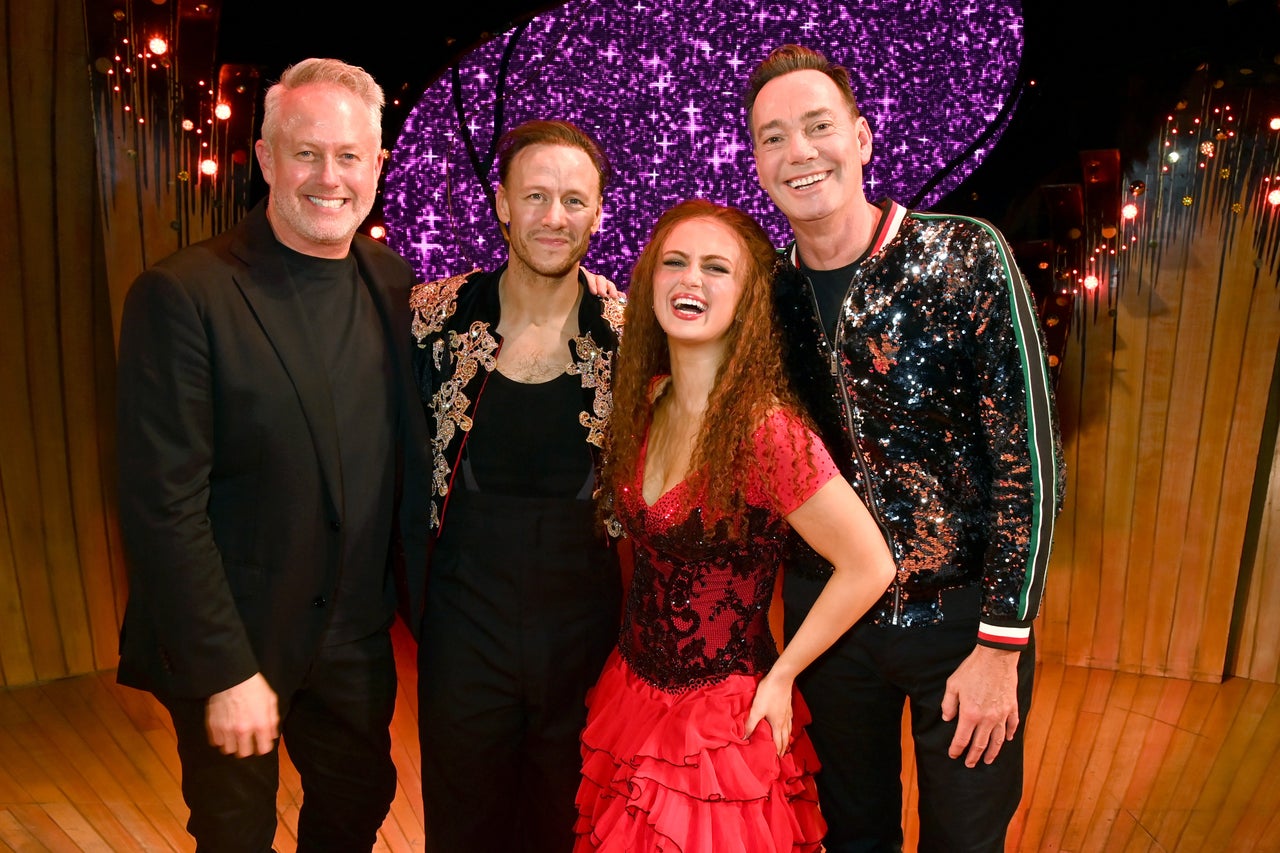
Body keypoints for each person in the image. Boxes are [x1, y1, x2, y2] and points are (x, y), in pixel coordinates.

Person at [744, 44, 1067, 852]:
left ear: (862, 137)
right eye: (773, 136)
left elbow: (1027, 461)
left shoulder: (963, 256)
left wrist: (1003, 641)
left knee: (964, 838)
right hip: (830, 619)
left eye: (819, 126)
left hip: (962, 624)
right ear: (756, 163)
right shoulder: (764, 293)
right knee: (851, 835)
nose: (800, 151)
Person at [114, 58, 429, 852]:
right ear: (264, 158)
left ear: (378, 166)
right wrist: (223, 668)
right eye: (306, 152)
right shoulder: (184, 294)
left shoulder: (394, 284)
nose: (330, 177)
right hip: (235, 636)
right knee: (234, 836)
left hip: (353, 637)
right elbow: (162, 503)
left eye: (350, 156)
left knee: (357, 807)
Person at [572, 198, 897, 851]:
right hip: (632, 696)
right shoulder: (648, 399)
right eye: (675, 263)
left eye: (716, 268)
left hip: (720, 731)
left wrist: (783, 677)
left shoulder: (766, 430)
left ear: (747, 301)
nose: (691, 279)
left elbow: (870, 564)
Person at [409, 118, 626, 853]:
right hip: (463, 628)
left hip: (587, 634)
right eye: (535, 196)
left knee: (568, 827)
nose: (554, 217)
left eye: (573, 200)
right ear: (502, 203)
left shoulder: (631, 334)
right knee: (464, 827)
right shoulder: (430, 319)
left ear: (599, 211)